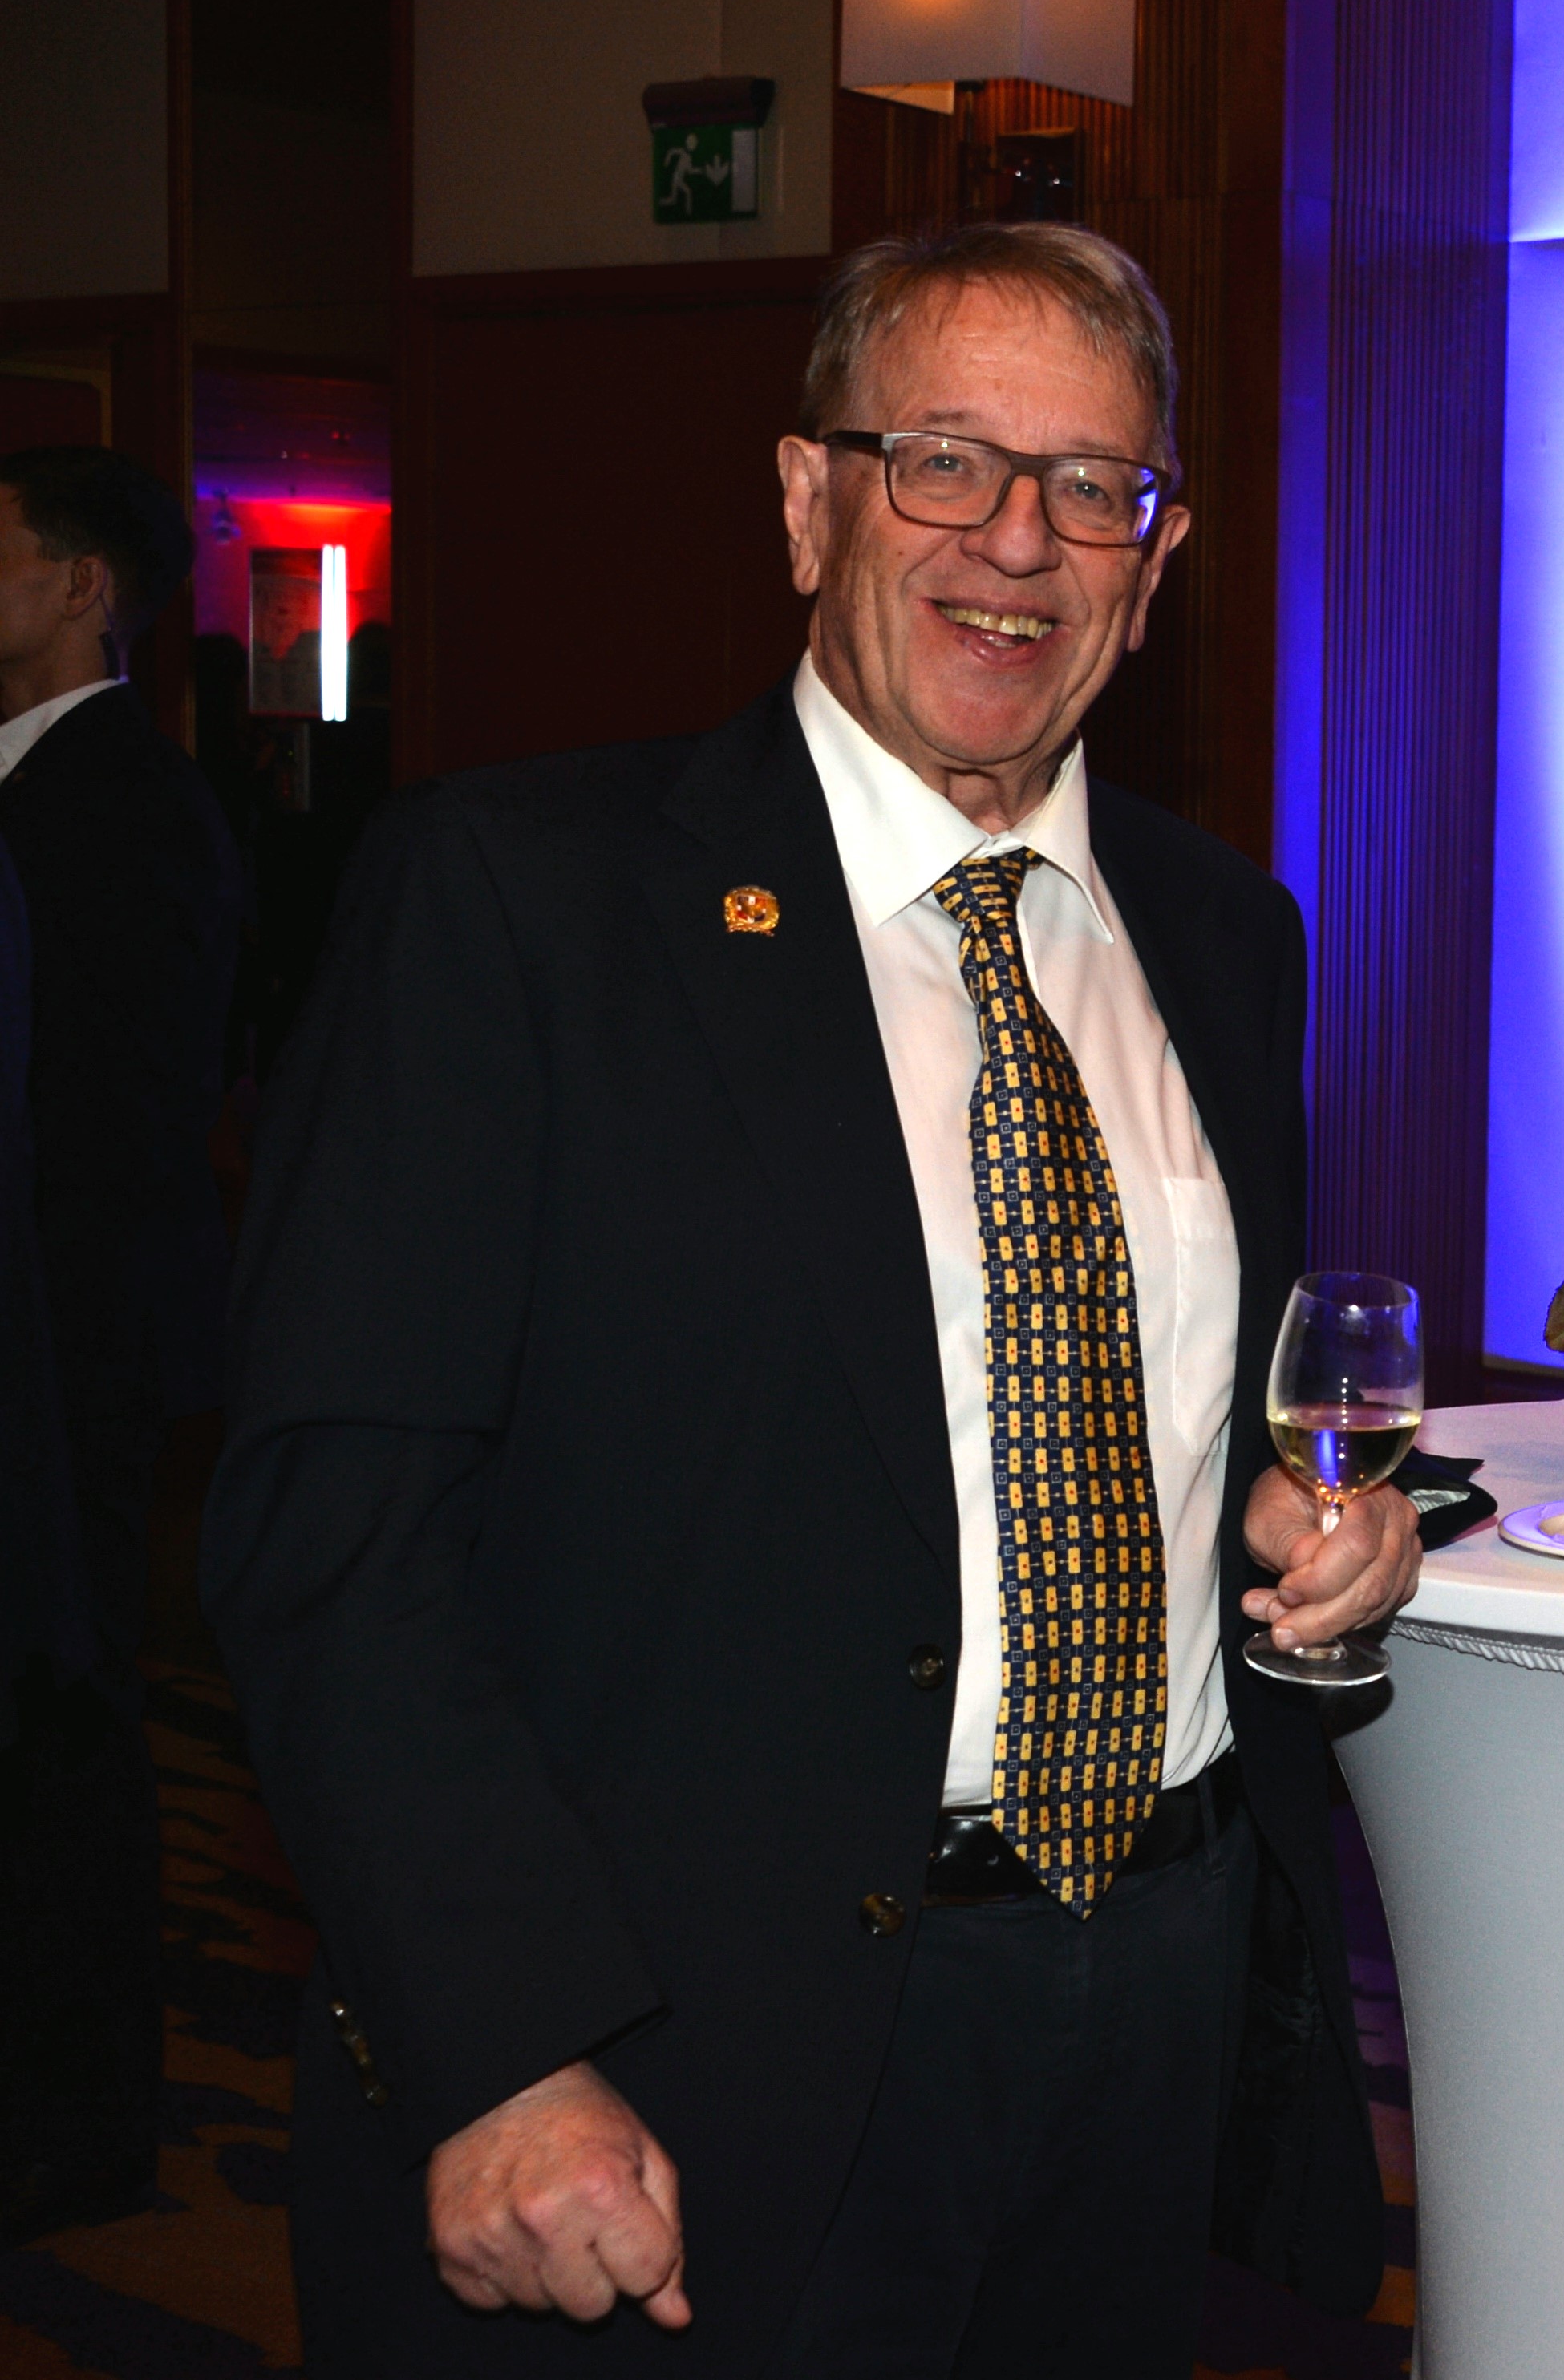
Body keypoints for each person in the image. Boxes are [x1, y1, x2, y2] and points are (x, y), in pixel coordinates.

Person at [205, 221, 1423, 2374]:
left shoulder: (1225, 934)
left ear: (1157, 557)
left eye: (1092, 487)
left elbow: (1139, 1412)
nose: (1017, 542)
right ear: (805, 502)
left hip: (1150, 2001)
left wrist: (1288, 1529)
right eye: (944, 460)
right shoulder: (517, 902)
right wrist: (502, 2041)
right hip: (683, 2042)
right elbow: (336, 1536)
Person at [0, 443, 245, 2241]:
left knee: (66, 1722)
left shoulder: (129, 808)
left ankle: (80, 2129)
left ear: (85, 587)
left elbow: (123, 1122)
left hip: (67, 1343)